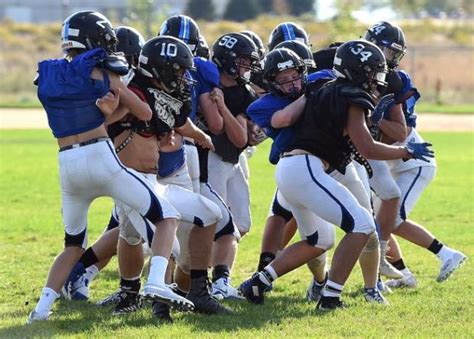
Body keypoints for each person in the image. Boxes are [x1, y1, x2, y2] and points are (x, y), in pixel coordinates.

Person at [239, 40, 434, 310]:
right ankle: (331, 296)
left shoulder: (324, 86)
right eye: (371, 72)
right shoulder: (346, 94)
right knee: (363, 225)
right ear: (357, 72)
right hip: (306, 167)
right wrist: (406, 152)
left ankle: (258, 282)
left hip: (294, 170)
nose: (375, 78)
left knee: (319, 240)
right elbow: (367, 147)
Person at [28, 11, 192, 323]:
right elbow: (144, 111)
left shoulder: (48, 76)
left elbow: (73, 109)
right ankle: (156, 281)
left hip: (67, 163)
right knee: (167, 215)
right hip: (101, 158)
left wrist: (98, 111)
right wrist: (113, 106)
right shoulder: (105, 72)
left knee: (72, 245)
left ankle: (41, 310)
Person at [364, 21, 467, 286]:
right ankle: (405, 275)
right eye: (389, 51)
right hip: (392, 162)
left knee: (391, 220)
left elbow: (402, 131)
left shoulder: (397, 81)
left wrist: (374, 118)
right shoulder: (361, 77)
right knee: (380, 221)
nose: (392, 58)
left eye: (395, 53)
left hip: (414, 162)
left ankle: (446, 254)